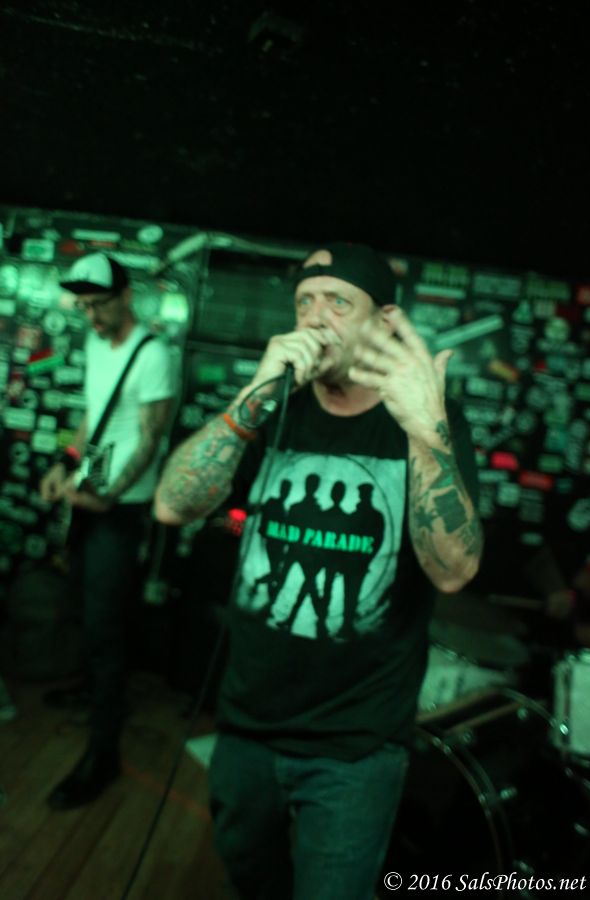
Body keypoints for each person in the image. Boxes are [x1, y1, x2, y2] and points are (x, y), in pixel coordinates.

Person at [155, 242, 483, 900]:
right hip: (247, 722)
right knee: (250, 878)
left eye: (338, 301)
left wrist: (425, 431)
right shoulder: (274, 407)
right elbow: (172, 505)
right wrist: (254, 393)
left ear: (383, 322)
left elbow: (453, 571)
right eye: (305, 301)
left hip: (356, 744)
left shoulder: (429, 420)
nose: (314, 315)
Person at [39, 252, 177, 810]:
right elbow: (94, 418)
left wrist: (108, 495)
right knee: (81, 605)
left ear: (126, 296)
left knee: (105, 627)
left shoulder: (154, 353)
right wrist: (66, 463)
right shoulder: (97, 343)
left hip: (121, 508)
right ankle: (91, 690)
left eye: (99, 305)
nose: (92, 317)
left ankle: (103, 754)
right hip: (91, 494)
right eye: (84, 307)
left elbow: (150, 438)